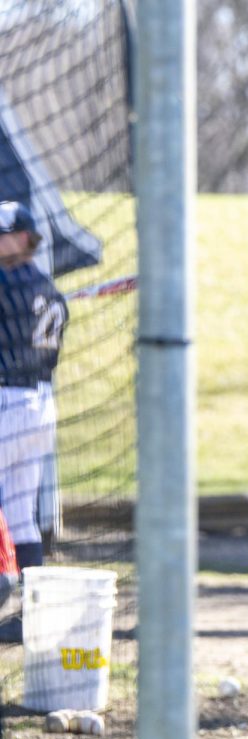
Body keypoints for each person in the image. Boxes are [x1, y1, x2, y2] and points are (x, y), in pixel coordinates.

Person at [0, 200, 66, 640]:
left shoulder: (6, 283)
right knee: (20, 511)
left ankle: (10, 592)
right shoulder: (50, 288)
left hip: (7, 402)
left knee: (14, 509)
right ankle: (33, 615)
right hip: (40, 406)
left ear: (24, 237)